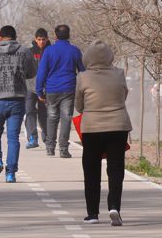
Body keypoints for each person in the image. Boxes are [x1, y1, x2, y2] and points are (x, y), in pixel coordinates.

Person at [75, 39, 132, 226]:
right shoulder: (119, 74)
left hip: (92, 128)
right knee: (116, 169)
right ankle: (114, 207)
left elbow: (79, 106)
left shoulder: (83, 77)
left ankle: (92, 214)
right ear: (110, 57)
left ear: (87, 58)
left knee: (91, 171)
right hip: (118, 126)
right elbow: (123, 96)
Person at [0, 25, 37, 183]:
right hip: (17, 100)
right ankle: (11, 173)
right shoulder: (25, 52)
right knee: (13, 138)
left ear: (0, 37)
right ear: (14, 37)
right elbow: (32, 72)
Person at [35, 24, 85, 158]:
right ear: (69, 35)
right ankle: (63, 149)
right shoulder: (75, 51)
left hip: (51, 90)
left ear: (55, 36)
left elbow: (41, 72)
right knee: (66, 118)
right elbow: (83, 71)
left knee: (51, 118)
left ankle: (50, 147)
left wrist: (39, 91)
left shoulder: (49, 51)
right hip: (68, 89)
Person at [24, 28, 50, 149]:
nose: (41, 42)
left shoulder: (51, 51)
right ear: (35, 39)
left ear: (47, 39)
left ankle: (47, 137)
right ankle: (32, 137)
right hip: (30, 87)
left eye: (43, 39)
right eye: (39, 39)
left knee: (44, 114)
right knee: (29, 111)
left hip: (46, 88)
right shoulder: (29, 52)